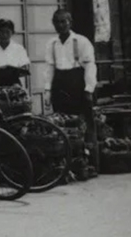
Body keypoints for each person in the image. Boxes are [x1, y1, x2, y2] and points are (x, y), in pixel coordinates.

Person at [41, 8, 99, 139]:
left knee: (84, 122)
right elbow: (49, 68)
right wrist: (47, 91)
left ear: (70, 22)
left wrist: (89, 89)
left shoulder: (81, 41)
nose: (60, 25)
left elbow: (90, 66)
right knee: (62, 120)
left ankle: (89, 151)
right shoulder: (52, 43)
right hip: (60, 82)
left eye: (63, 22)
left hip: (78, 82)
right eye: (56, 22)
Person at [0, 18, 31, 85]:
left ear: (12, 33)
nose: (4, 35)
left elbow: (24, 68)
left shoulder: (19, 49)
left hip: (14, 84)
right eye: (2, 32)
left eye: (7, 32)